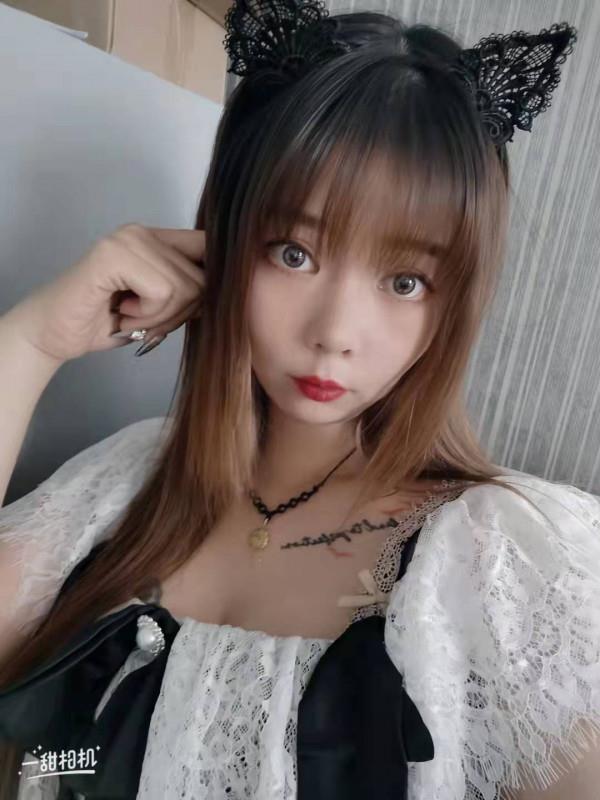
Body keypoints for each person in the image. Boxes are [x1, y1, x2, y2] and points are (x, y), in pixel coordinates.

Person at [0, 2, 597, 798]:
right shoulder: (124, 484)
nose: (335, 334)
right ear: (224, 240)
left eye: (405, 281)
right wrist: (32, 340)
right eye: (294, 253)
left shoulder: (506, 562)